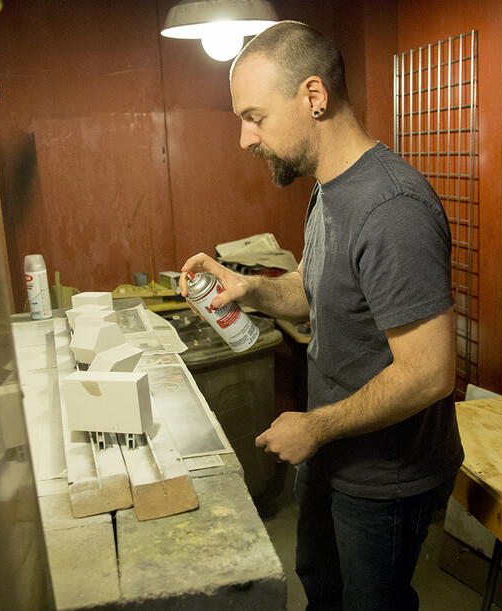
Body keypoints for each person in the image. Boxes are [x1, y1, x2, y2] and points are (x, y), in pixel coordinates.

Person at [180, 21, 463, 611]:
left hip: (383, 478)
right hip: (332, 454)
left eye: (254, 116)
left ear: (313, 97)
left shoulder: (392, 209)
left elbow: (430, 373)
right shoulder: (329, 187)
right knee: (321, 592)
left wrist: (315, 426)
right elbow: (314, 291)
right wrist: (248, 290)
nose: (244, 138)